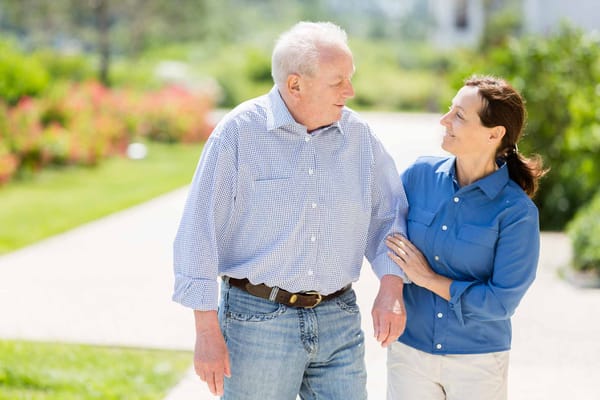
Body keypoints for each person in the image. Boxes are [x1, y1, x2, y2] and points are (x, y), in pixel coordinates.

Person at [172, 21, 409, 399]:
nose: (350, 91)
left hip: (339, 318)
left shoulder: (359, 137)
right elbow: (198, 233)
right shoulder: (238, 133)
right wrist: (205, 332)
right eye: (338, 82)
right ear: (295, 84)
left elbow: (388, 217)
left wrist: (391, 285)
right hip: (257, 324)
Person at [385, 75, 547, 400]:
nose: (445, 121)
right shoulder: (418, 177)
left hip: (478, 362)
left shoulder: (516, 212)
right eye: (450, 110)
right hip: (410, 352)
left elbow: (501, 302)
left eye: (459, 115)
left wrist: (428, 279)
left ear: (495, 133)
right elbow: (385, 236)